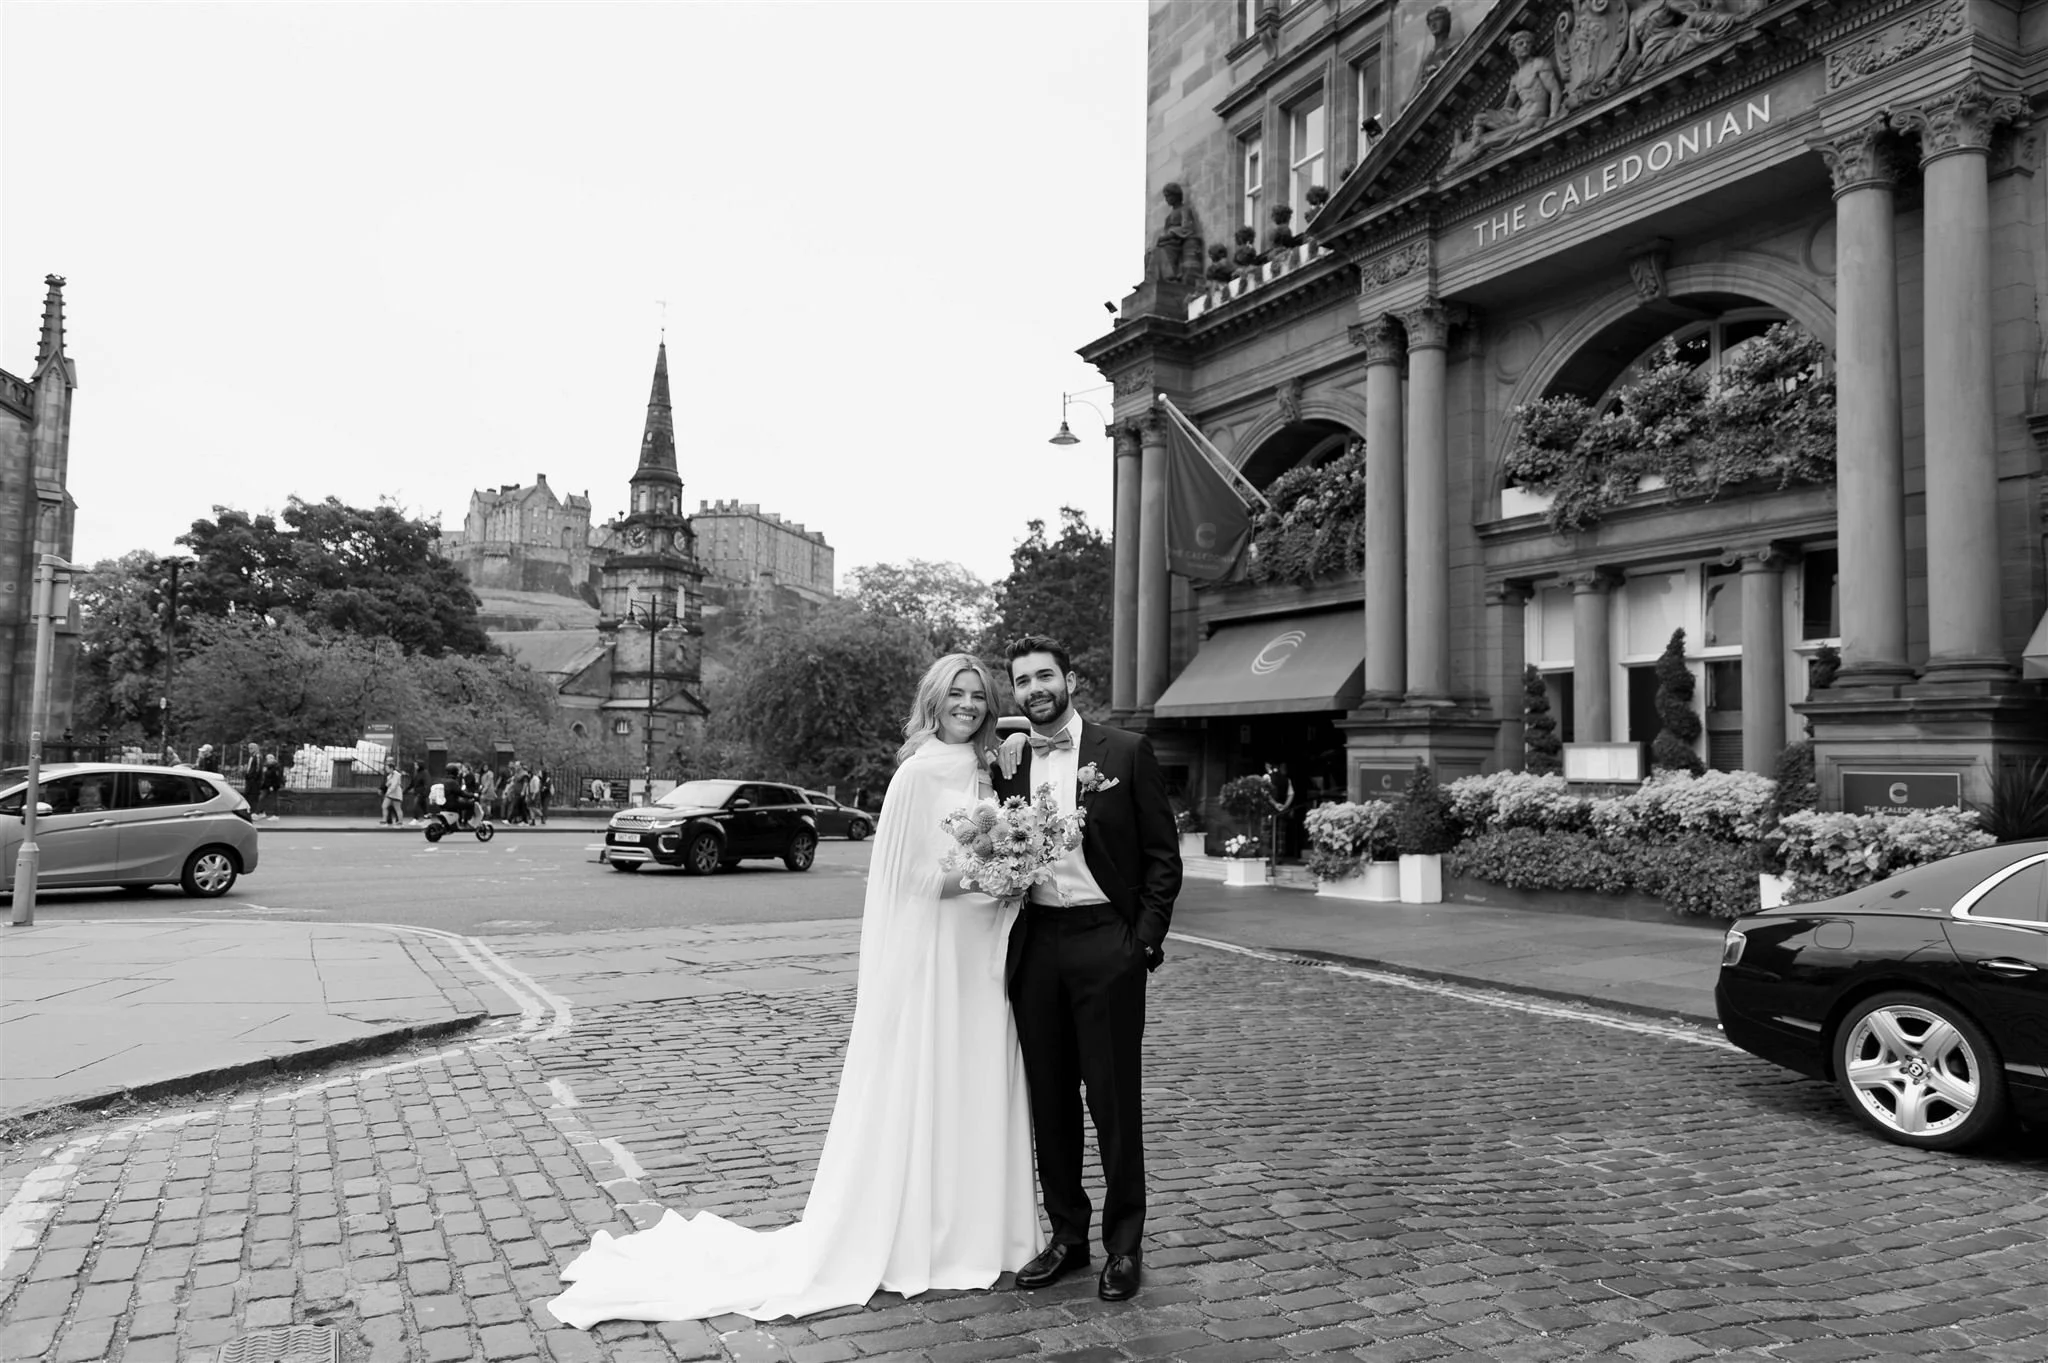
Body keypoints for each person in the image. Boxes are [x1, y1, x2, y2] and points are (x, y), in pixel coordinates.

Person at [546, 653, 1037, 1327]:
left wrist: (1011, 860)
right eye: (956, 692)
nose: (969, 704)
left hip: (982, 949)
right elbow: (909, 879)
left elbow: (1021, 758)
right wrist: (991, 873)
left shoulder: (986, 769)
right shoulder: (917, 773)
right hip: (937, 951)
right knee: (930, 1078)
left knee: (973, 1080)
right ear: (933, 699)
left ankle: (979, 1229)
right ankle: (924, 1233)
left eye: (978, 695)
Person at [991, 634, 1182, 1304]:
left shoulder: (1125, 751)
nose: (1035, 688)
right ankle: (1068, 1235)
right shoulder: (1008, 763)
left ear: (1070, 678)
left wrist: (1144, 944)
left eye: (1045, 675)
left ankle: (1123, 1246)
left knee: (1112, 1101)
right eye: (1022, 681)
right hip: (1037, 941)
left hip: (1108, 941)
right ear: (1014, 692)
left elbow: (1164, 856)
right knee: (1050, 1100)